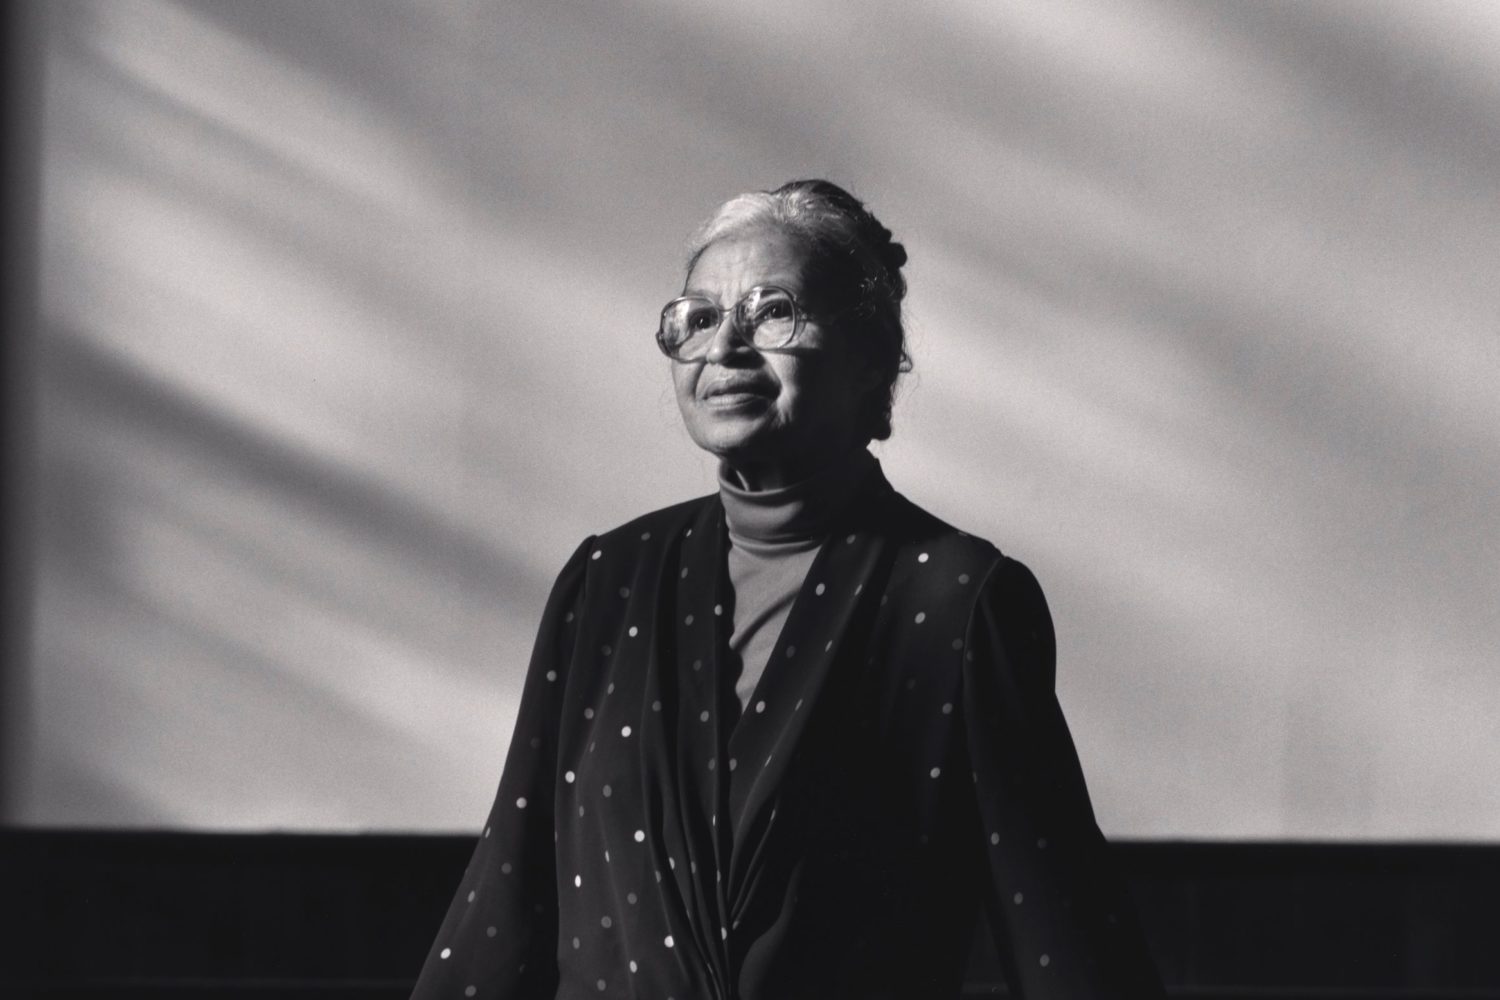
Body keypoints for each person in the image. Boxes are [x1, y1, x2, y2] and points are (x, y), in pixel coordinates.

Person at [411, 180, 1164, 999]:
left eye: (773, 312)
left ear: (870, 355)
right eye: (699, 318)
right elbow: (506, 902)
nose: (726, 348)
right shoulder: (605, 583)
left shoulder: (956, 599)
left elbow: (1063, 941)